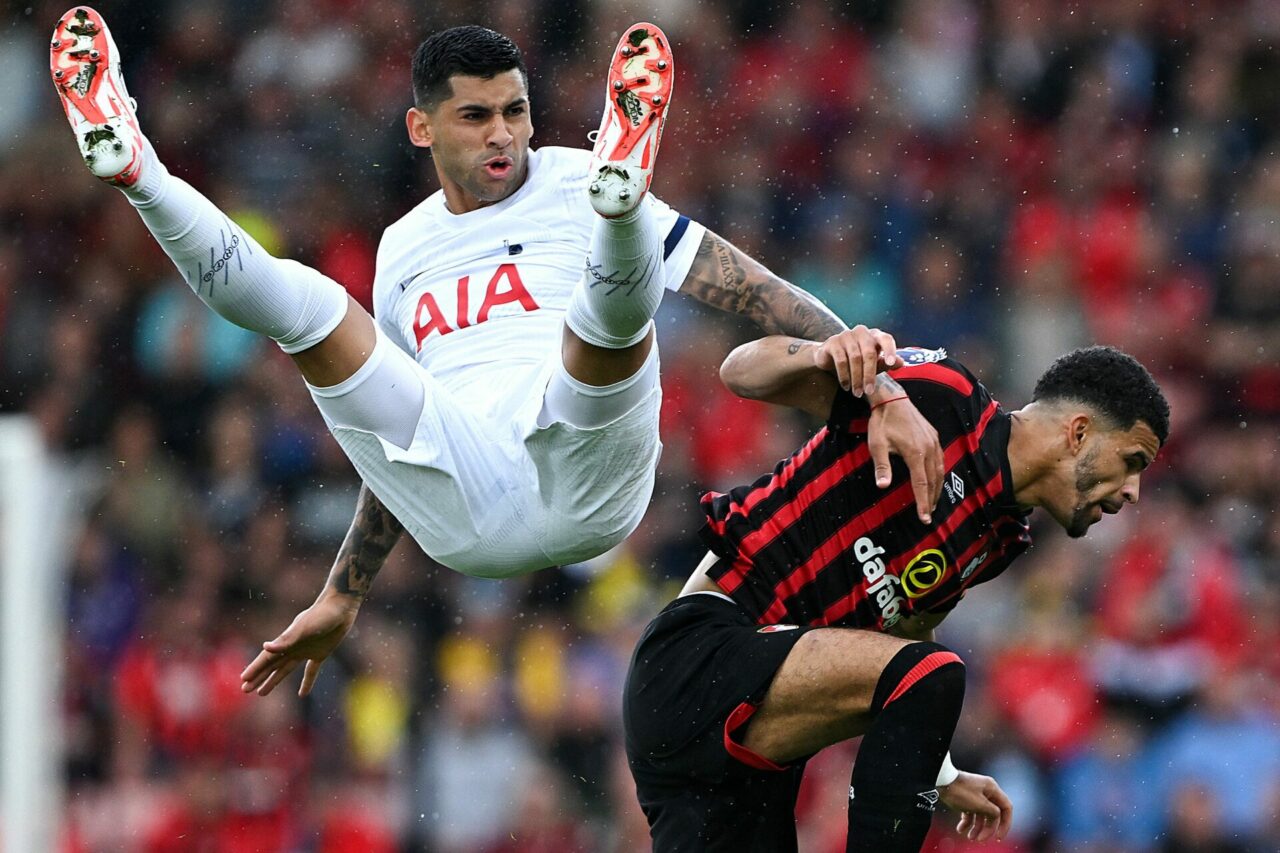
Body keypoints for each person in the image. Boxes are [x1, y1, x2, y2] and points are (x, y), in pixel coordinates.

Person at [50, 9, 944, 697]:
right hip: (468, 506)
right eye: (475, 116)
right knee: (313, 308)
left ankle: (625, 194)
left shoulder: (560, 181)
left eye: (515, 110)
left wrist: (860, 357)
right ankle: (137, 168)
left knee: (601, 318)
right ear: (420, 128)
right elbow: (399, 438)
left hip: (591, 474)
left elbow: (741, 284)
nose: (504, 135)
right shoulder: (402, 249)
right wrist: (345, 593)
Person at [623, 337, 1170, 852]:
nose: (1134, 492)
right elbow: (741, 370)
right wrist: (824, 352)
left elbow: (906, 628)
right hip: (698, 661)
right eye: (1132, 462)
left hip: (754, 756)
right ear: (1078, 433)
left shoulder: (1003, 537)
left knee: (926, 672)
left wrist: (941, 771)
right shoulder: (941, 397)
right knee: (935, 674)